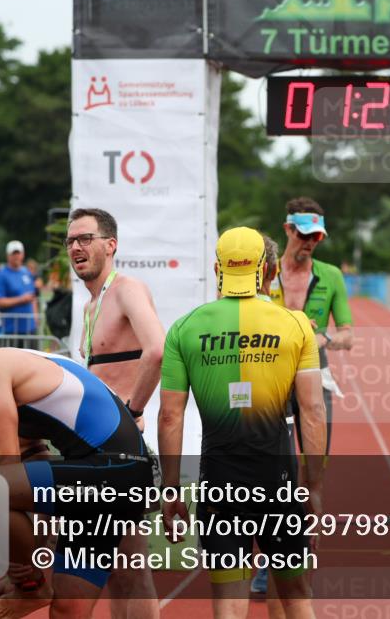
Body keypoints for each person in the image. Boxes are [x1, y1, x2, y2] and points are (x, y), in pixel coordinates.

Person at [0, 332, 156, 619]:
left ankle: (29, 588)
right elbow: (32, 477)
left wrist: (23, 580)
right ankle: (29, 585)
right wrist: (30, 562)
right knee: (67, 610)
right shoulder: (19, 376)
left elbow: (4, 470)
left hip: (114, 470)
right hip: (112, 481)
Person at [160, 226, 327, 619]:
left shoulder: (183, 329)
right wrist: (314, 487)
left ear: (218, 269)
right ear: (268, 272)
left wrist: (170, 490)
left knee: (230, 602)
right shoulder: (297, 325)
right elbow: (313, 412)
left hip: (219, 479)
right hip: (278, 479)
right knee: (297, 596)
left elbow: (170, 416)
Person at [67, 207, 165, 619]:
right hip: (92, 448)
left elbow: (157, 349)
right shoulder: (90, 307)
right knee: (110, 571)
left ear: (111, 244)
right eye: (70, 241)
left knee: (131, 567)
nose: (75, 247)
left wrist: (133, 410)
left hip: (121, 449)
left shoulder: (127, 289)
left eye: (85, 238)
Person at [269, 197, 353, 456]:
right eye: (305, 234)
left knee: (316, 461)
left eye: (316, 237)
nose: (309, 243)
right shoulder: (266, 272)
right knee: (277, 463)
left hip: (316, 370)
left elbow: (347, 336)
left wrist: (323, 338)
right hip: (273, 372)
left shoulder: (331, 275)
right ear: (288, 229)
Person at [0, 241, 38, 348]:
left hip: (29, 329)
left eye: (18, 253)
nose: (16, 256)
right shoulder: (1, 275)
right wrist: (21, 299)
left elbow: (33, 297)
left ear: (23, 254)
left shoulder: (26, 272)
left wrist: (35, 318)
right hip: (11, 330)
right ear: (8, 255)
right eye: (13, 253)